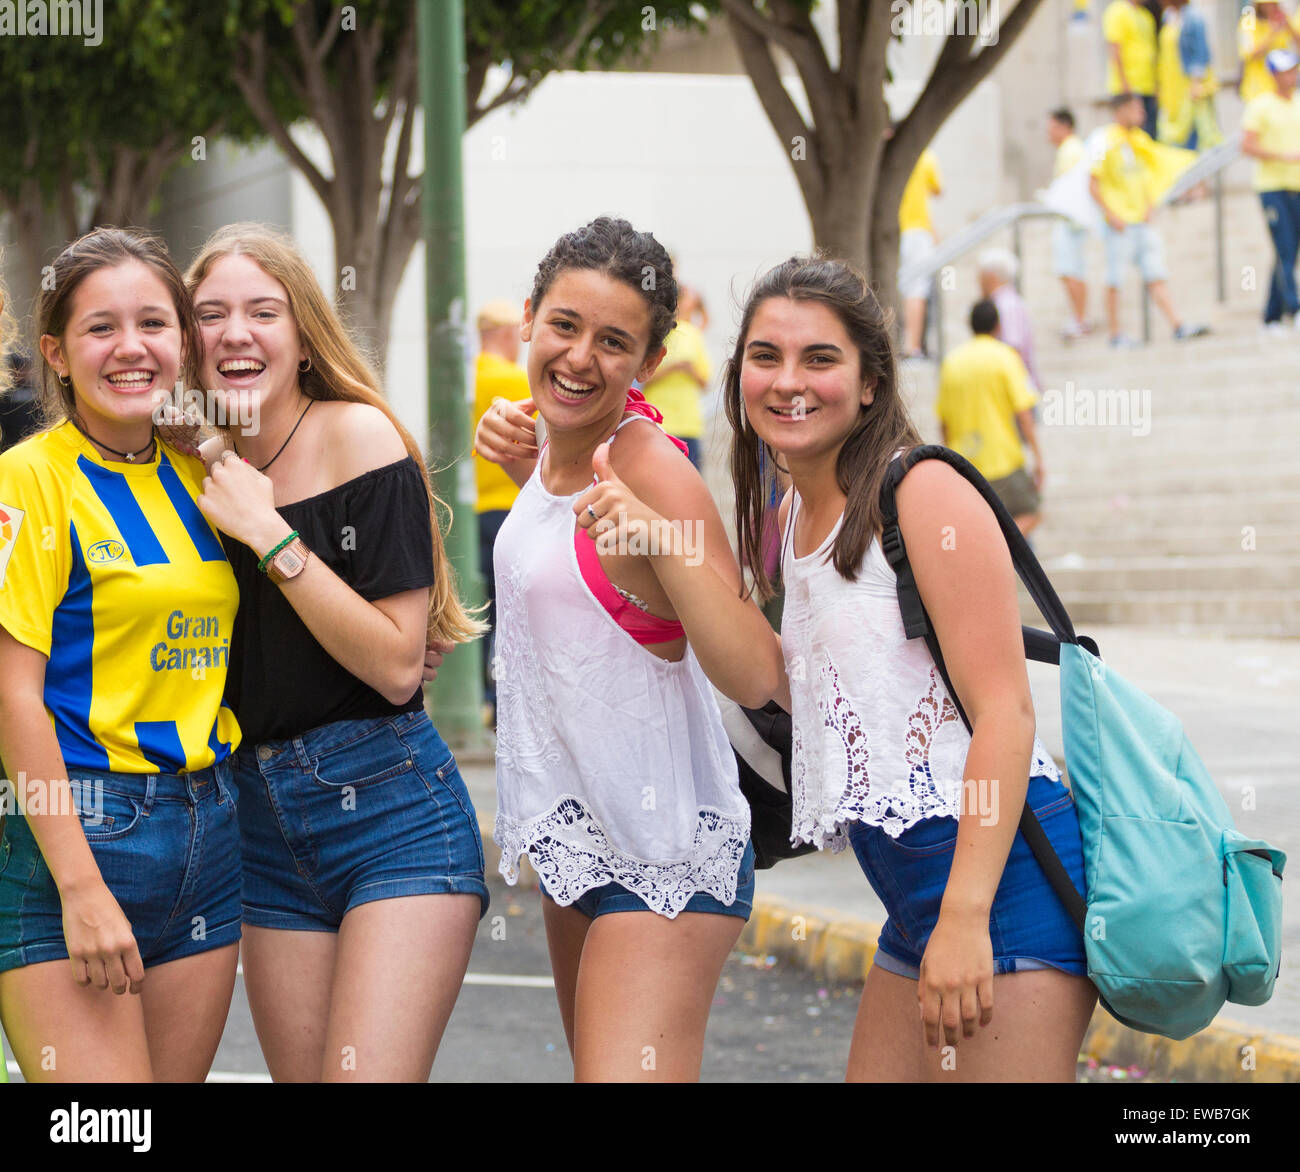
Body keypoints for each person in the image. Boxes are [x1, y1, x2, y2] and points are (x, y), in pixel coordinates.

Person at [584, 256, 1095, 1082]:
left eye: (820, 358)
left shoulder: (921, 490)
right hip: (910, 902)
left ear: (868, 383)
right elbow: (773, 687)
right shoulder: (792, 510)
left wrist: (965, 918)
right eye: (765, 356)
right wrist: (652, 544)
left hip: (999, 894)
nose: (789, 381)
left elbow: (1007, 715)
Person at [472, 217, 779, 1082]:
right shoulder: (553, 449)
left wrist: (669, 542)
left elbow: (758, 670)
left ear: (647, 364)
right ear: (529, 318)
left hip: (665, 852)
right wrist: (523, 455)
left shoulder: (649, 468)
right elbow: (578, 580)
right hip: (580, 848)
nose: (579, 357)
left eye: (614, 343)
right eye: (564, 326)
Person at [184, 223, 489, 1082]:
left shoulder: (360, 437)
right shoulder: (184, 464)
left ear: (303, 333)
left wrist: (268, 534)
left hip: (393, 815)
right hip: (254, 822)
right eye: (211, 314)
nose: (236, 332)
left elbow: (397, 664)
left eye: (262, 311)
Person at [0, 228, 244, 1082]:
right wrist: (79, 887)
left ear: (183, 342)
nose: (132, 348)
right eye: (101, 328)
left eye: (154, 323)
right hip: (78, 832)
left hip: (210, 830)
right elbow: (12, 697)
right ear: (56, 355)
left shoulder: (206, 472)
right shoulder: (26, 480)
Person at [1090, 91, 1209, 346]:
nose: (1141, 115)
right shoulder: (1105, 141)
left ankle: (1177, 324)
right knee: (1115, 278)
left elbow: (1153, 171)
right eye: (1136, 109)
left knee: (1156, 273)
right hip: (1119, 223)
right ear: (1121, 110)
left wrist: (1148, 206)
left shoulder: (1139, 139)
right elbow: (1093, 182)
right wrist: (1111, 215)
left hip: (1141, 220)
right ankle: (1114, 334)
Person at [936, 299, 1045, 536]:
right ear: (998, 326)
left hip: (966, 462)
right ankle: (997, 548)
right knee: (1031, 512)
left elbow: (943, 421)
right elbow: (1024, 415)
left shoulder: (952, 362)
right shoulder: (1005, 357)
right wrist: (1038, 458)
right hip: (1002, 459)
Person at [472, 299, 530, 725]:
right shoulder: (515, 379)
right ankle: (503, 695)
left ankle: (482, 697)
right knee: (510, 611)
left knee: (479, 611)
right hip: (511, 505)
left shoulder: (464, 377)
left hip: (471, 510)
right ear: (509, 335)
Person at [1242, 50, 1300, 331]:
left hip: (1297, 184)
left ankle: (1271, 314)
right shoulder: (1261, 106)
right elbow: (1247, 145)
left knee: (1287, 252)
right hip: (1272, 187)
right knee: (1285, 248)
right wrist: (1282, 156)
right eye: (1286, 71)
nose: (1292, 75)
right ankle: (1294, 308)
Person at [640, 282, 712, 470]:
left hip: (689, 425)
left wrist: (690, 370)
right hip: (656, 424)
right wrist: (671, 369)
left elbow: (705, 382)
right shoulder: (653, 335)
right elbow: (639, 380)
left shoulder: (692, 334)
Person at [1046, 108, 1094, 338]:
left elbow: (1069, 187)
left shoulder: (1070, 150)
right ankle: (1080, 317)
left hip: (1069, 219)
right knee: (1074, 269)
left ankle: (1080, 318)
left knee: (1069, 269)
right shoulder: (1076, 148)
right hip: (1075, 219)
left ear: (1064, 126)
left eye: (1052, 127)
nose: (1049, 132)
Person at [898, 145, 943, 359]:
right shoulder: (925, 157)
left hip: (893, 233)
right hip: (917, 232)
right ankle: (912, 347)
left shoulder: (884, 154)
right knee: (916, 290)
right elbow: (937, 190)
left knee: (902, 288)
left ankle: (904, 344)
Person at [976, 248, 1043, 393]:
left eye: (980, 276)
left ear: (991, 277)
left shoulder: (1005, 305)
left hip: (1014, 392)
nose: (978, 281)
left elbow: (1013, 348)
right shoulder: (1006, 302)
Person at [1103, 0, 1160, 137]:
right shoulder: (1116, 11)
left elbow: (1152, 52)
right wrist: (1125, 85)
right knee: (1130, 135)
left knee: (1149, 135)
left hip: (1147, 86)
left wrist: (1157, 84)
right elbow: (1115, 49)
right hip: (1128, 87)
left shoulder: (1146, 16)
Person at [1239, 1, 1300, 103]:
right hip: (1258, 89)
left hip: (1282, 88)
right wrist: (1272, 33)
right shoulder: (1248, 21)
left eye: (1273, 4)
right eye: (1266, 4)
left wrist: (1288, 26)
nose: (1270, 7)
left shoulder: (1281, 19)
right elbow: (1250, 54)